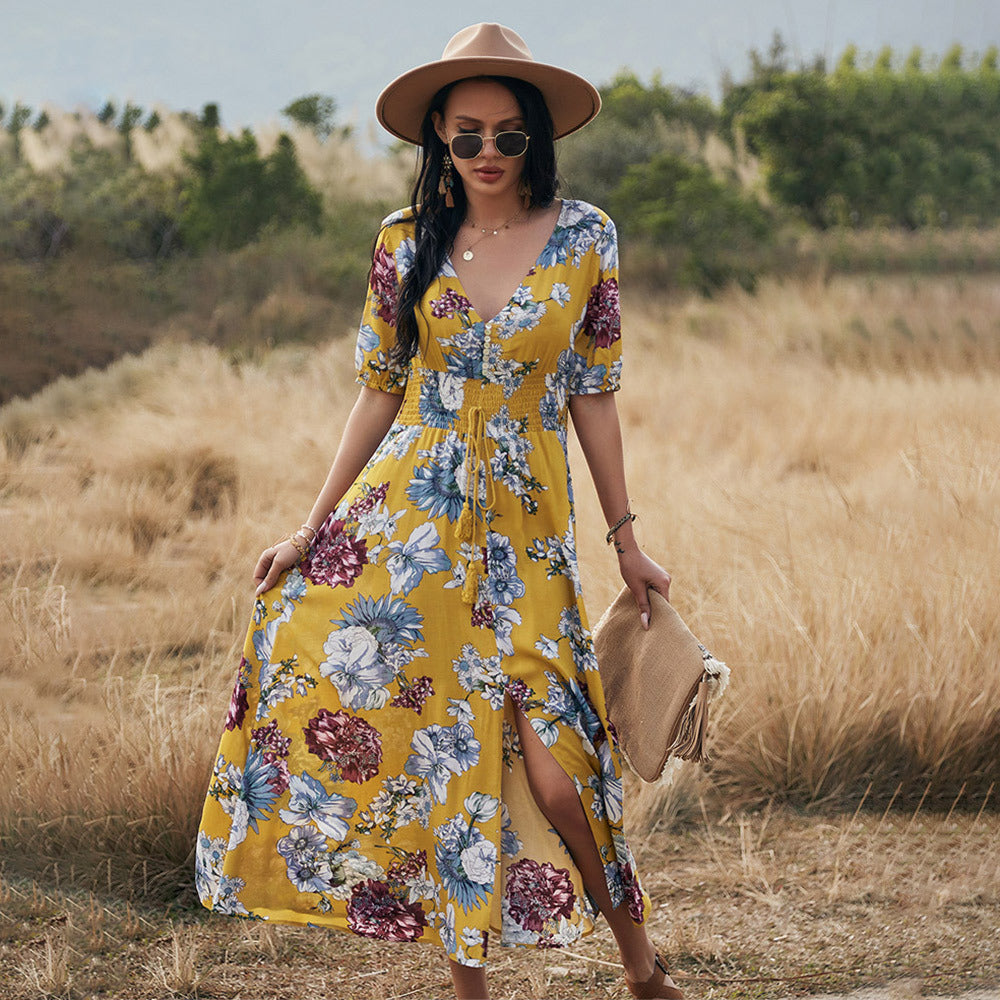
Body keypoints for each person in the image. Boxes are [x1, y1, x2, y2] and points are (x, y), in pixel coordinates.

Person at [195, 22, 682, 1000]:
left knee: (556, 771)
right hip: (414, 525)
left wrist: (627, 540)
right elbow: (377, 390)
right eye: (468, 137)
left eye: (509, 136)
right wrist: (309, 526)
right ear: (438, 143)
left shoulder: (588, 237)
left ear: (536, 139)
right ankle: (469, 989)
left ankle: (639, 965)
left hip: (533, 533)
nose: (490, 155)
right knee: (448, 747)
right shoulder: (400, 243)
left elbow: (593, 391)